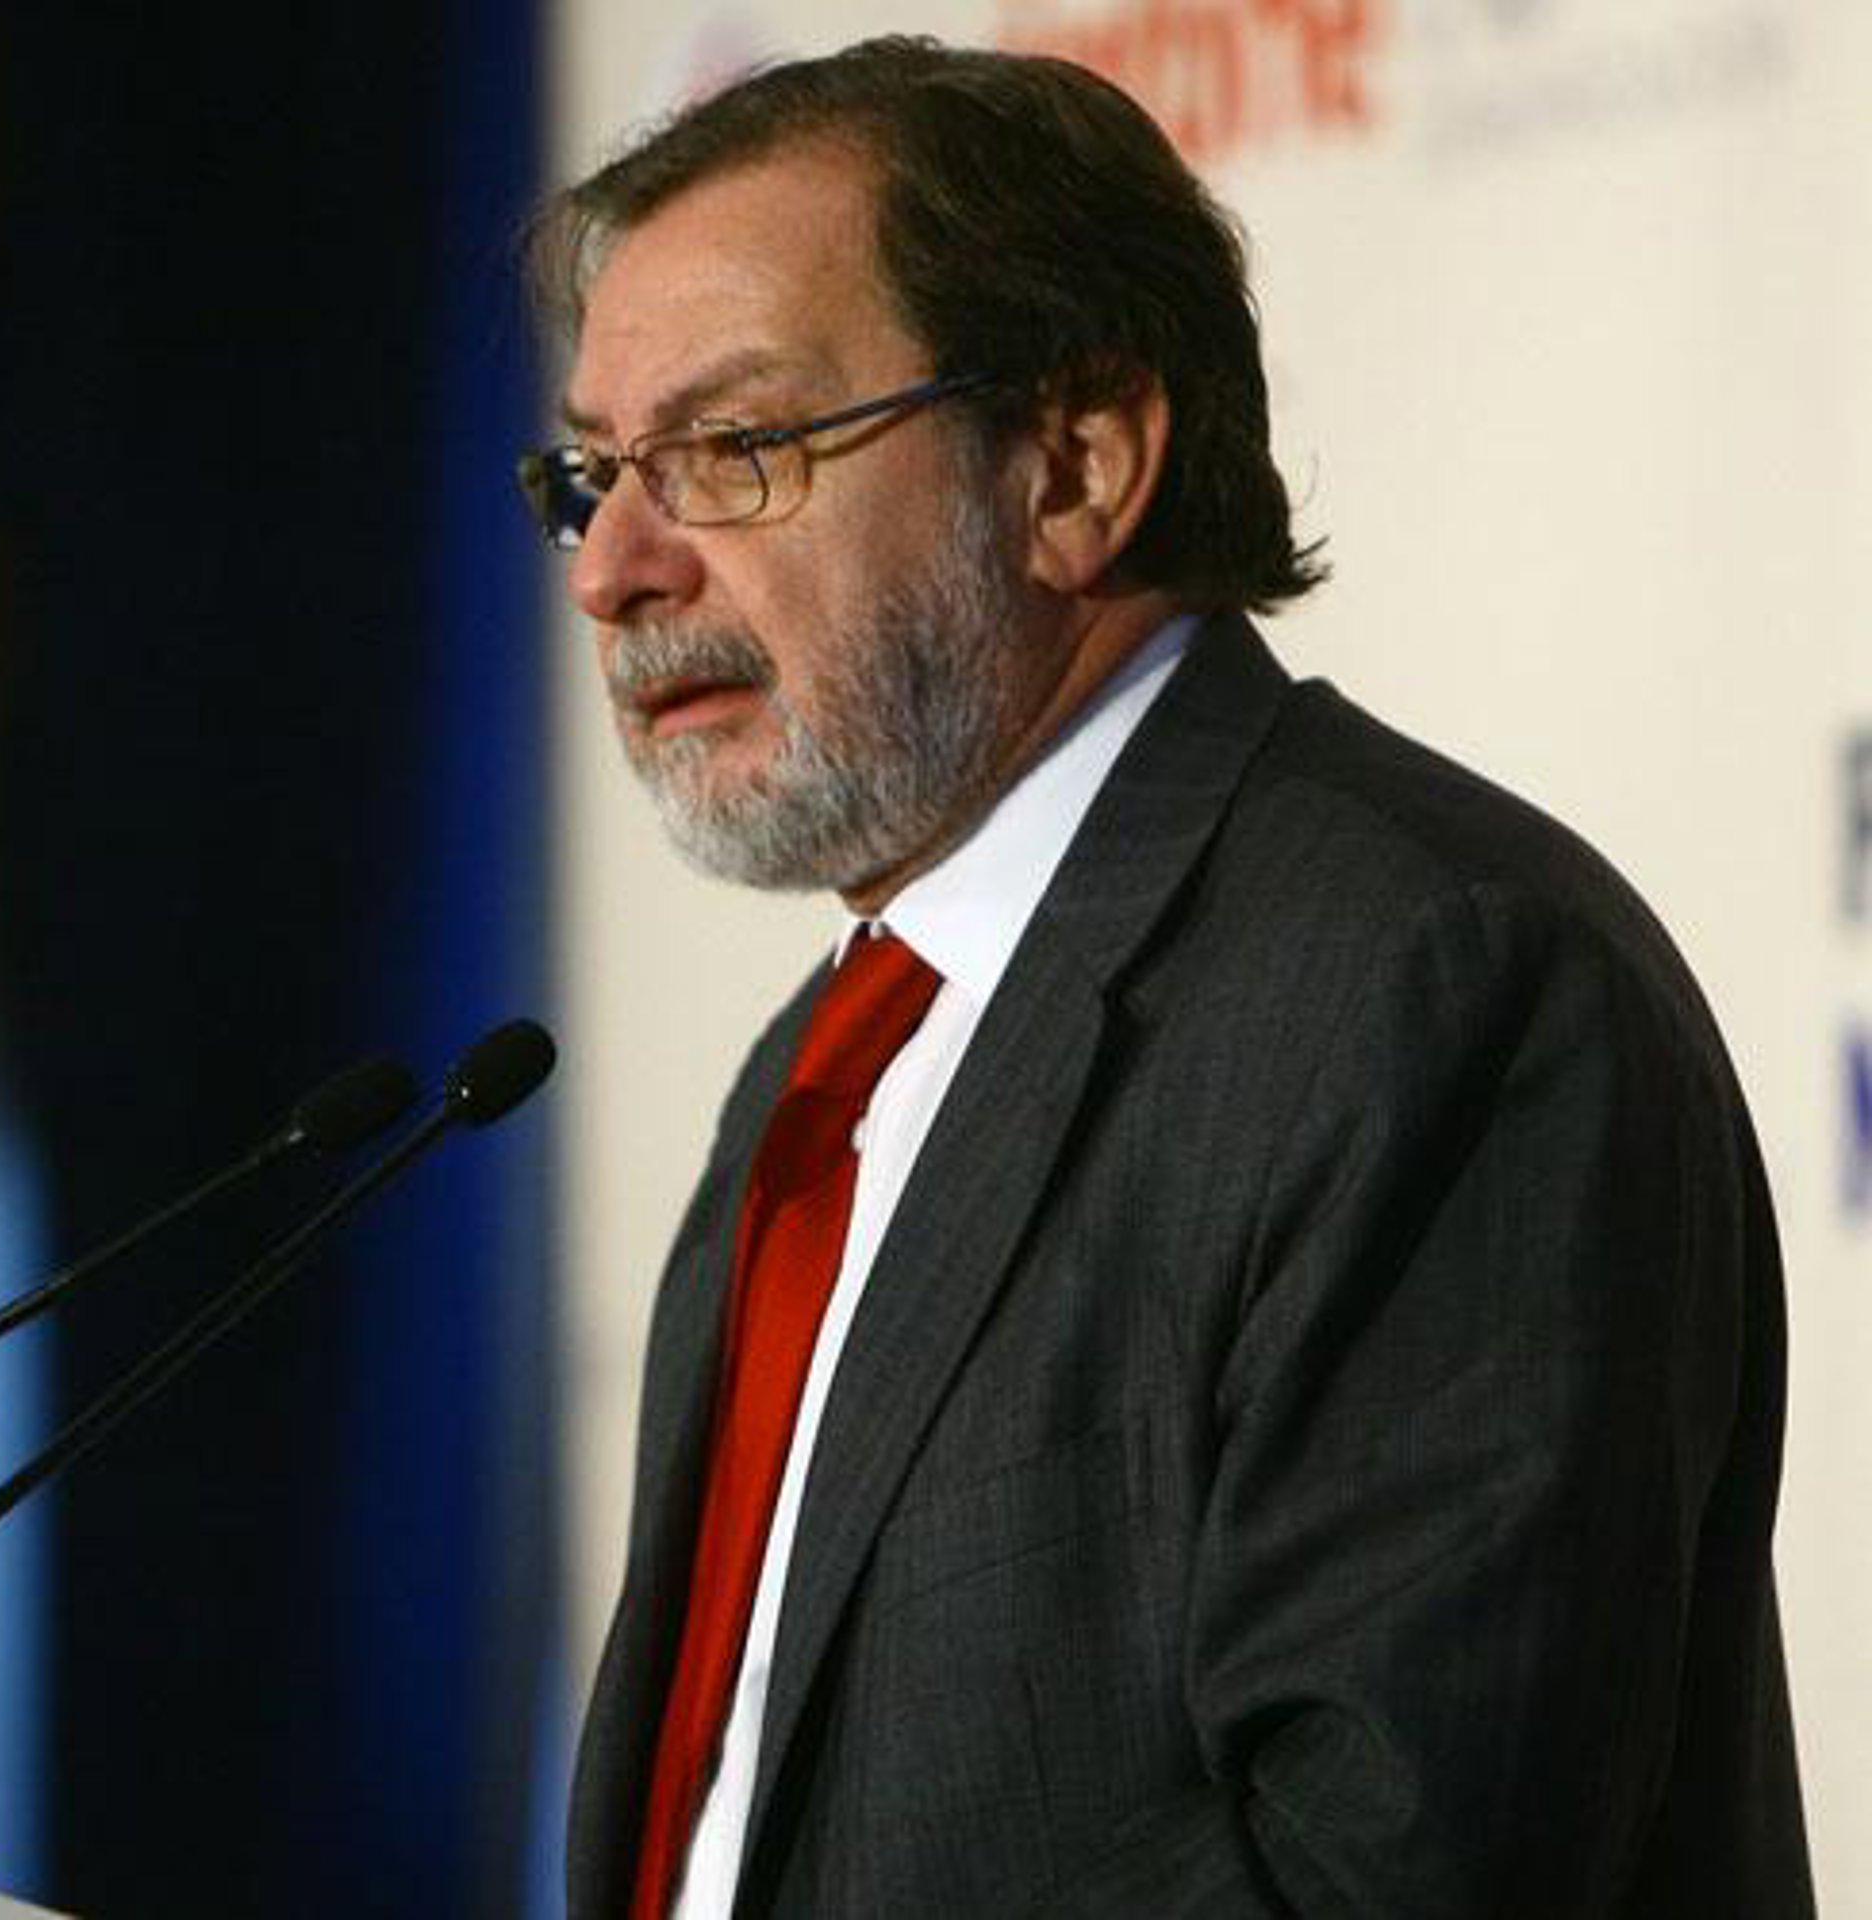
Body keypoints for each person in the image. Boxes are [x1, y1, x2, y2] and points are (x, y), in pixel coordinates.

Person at [522, 36, 1812, 1918]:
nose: (614, 569)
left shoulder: (1435, 986)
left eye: (735, 451)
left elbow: (1379, 1871)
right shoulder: (824, 1077)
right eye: (594, 473)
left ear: (1076, 467)